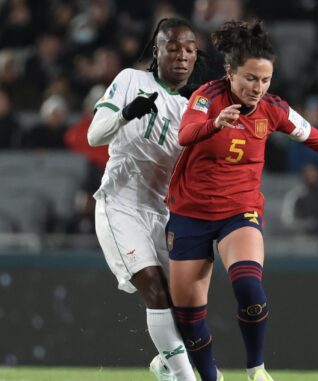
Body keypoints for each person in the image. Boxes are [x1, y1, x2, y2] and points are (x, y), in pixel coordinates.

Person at [165, 20, 318, 381]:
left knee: (249, 286)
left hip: (239, 212)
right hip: (190, 213)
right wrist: (215, 124)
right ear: (230, 73)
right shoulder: (207, 97)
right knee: (189, 315)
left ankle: (256, 370)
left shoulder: (274, 109)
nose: (258, 87)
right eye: (251, 78)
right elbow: (185, 133)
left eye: (266, 80)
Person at [87, 18, 199, 381]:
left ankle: (164, 365)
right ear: (157, 51)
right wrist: (126, 113)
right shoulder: (130, 80)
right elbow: (93, 136)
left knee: (184, 304)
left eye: (189, 49)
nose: (181, 55)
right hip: (119, 203)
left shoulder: (192, 110)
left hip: (161, 213)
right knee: (153, 286)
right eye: (173, 47)